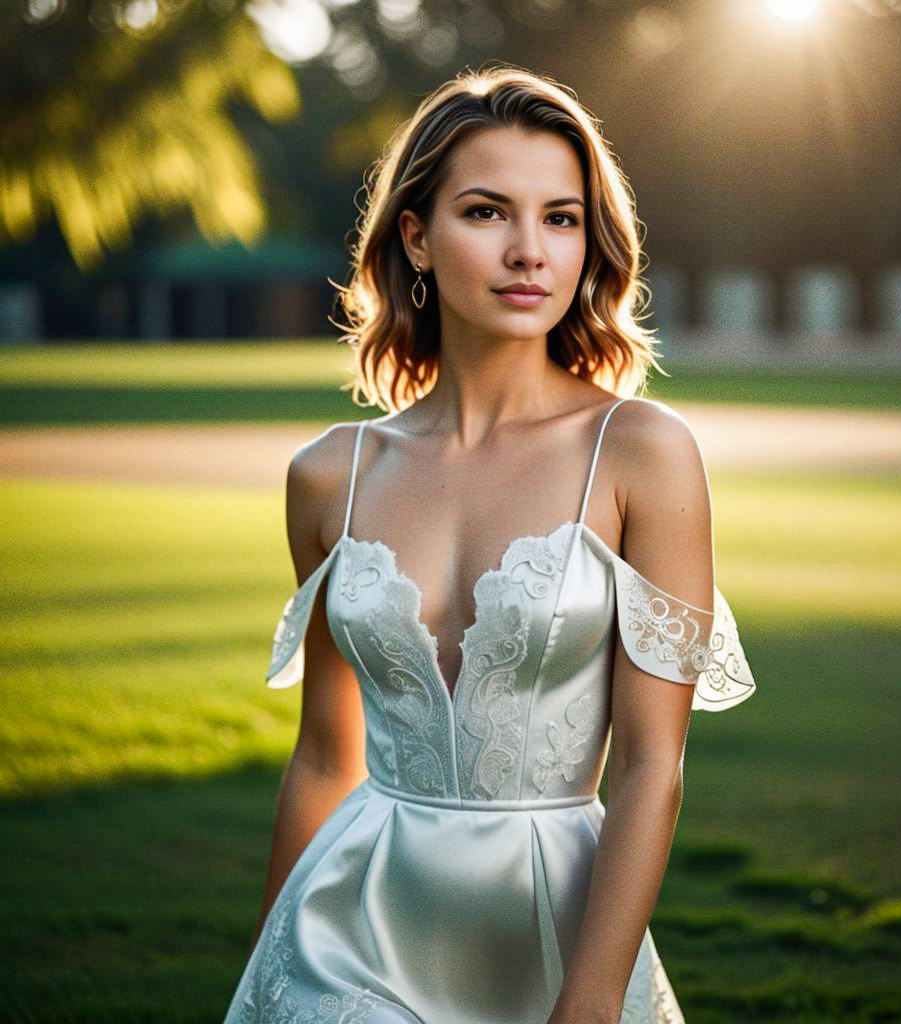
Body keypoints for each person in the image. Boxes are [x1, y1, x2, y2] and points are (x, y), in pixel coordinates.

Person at [223, 62, 757, 1024]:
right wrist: (266, 976)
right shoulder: (327, 476)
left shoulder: (641, 453)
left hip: (554, 935)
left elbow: (651, 767)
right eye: (486, 213)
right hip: (347, 934)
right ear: (417, 238)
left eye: (560, 218)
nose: (529, 252)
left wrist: (590, 1001)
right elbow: (322, 757)